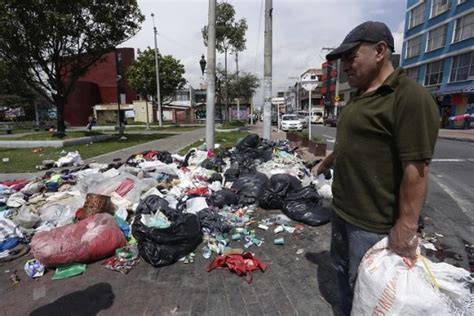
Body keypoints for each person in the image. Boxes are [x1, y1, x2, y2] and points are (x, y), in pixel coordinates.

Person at [313, 21, 439, 315]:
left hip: (374, 226)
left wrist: (405, 228)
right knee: (343, 277)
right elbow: (348, 143)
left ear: (380, 51)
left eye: (351, 57)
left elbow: (416, 169)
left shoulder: (409, 97)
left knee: (370, 295)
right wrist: (324, 162)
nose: (345, 66)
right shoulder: (359, 97)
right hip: (344, 212)